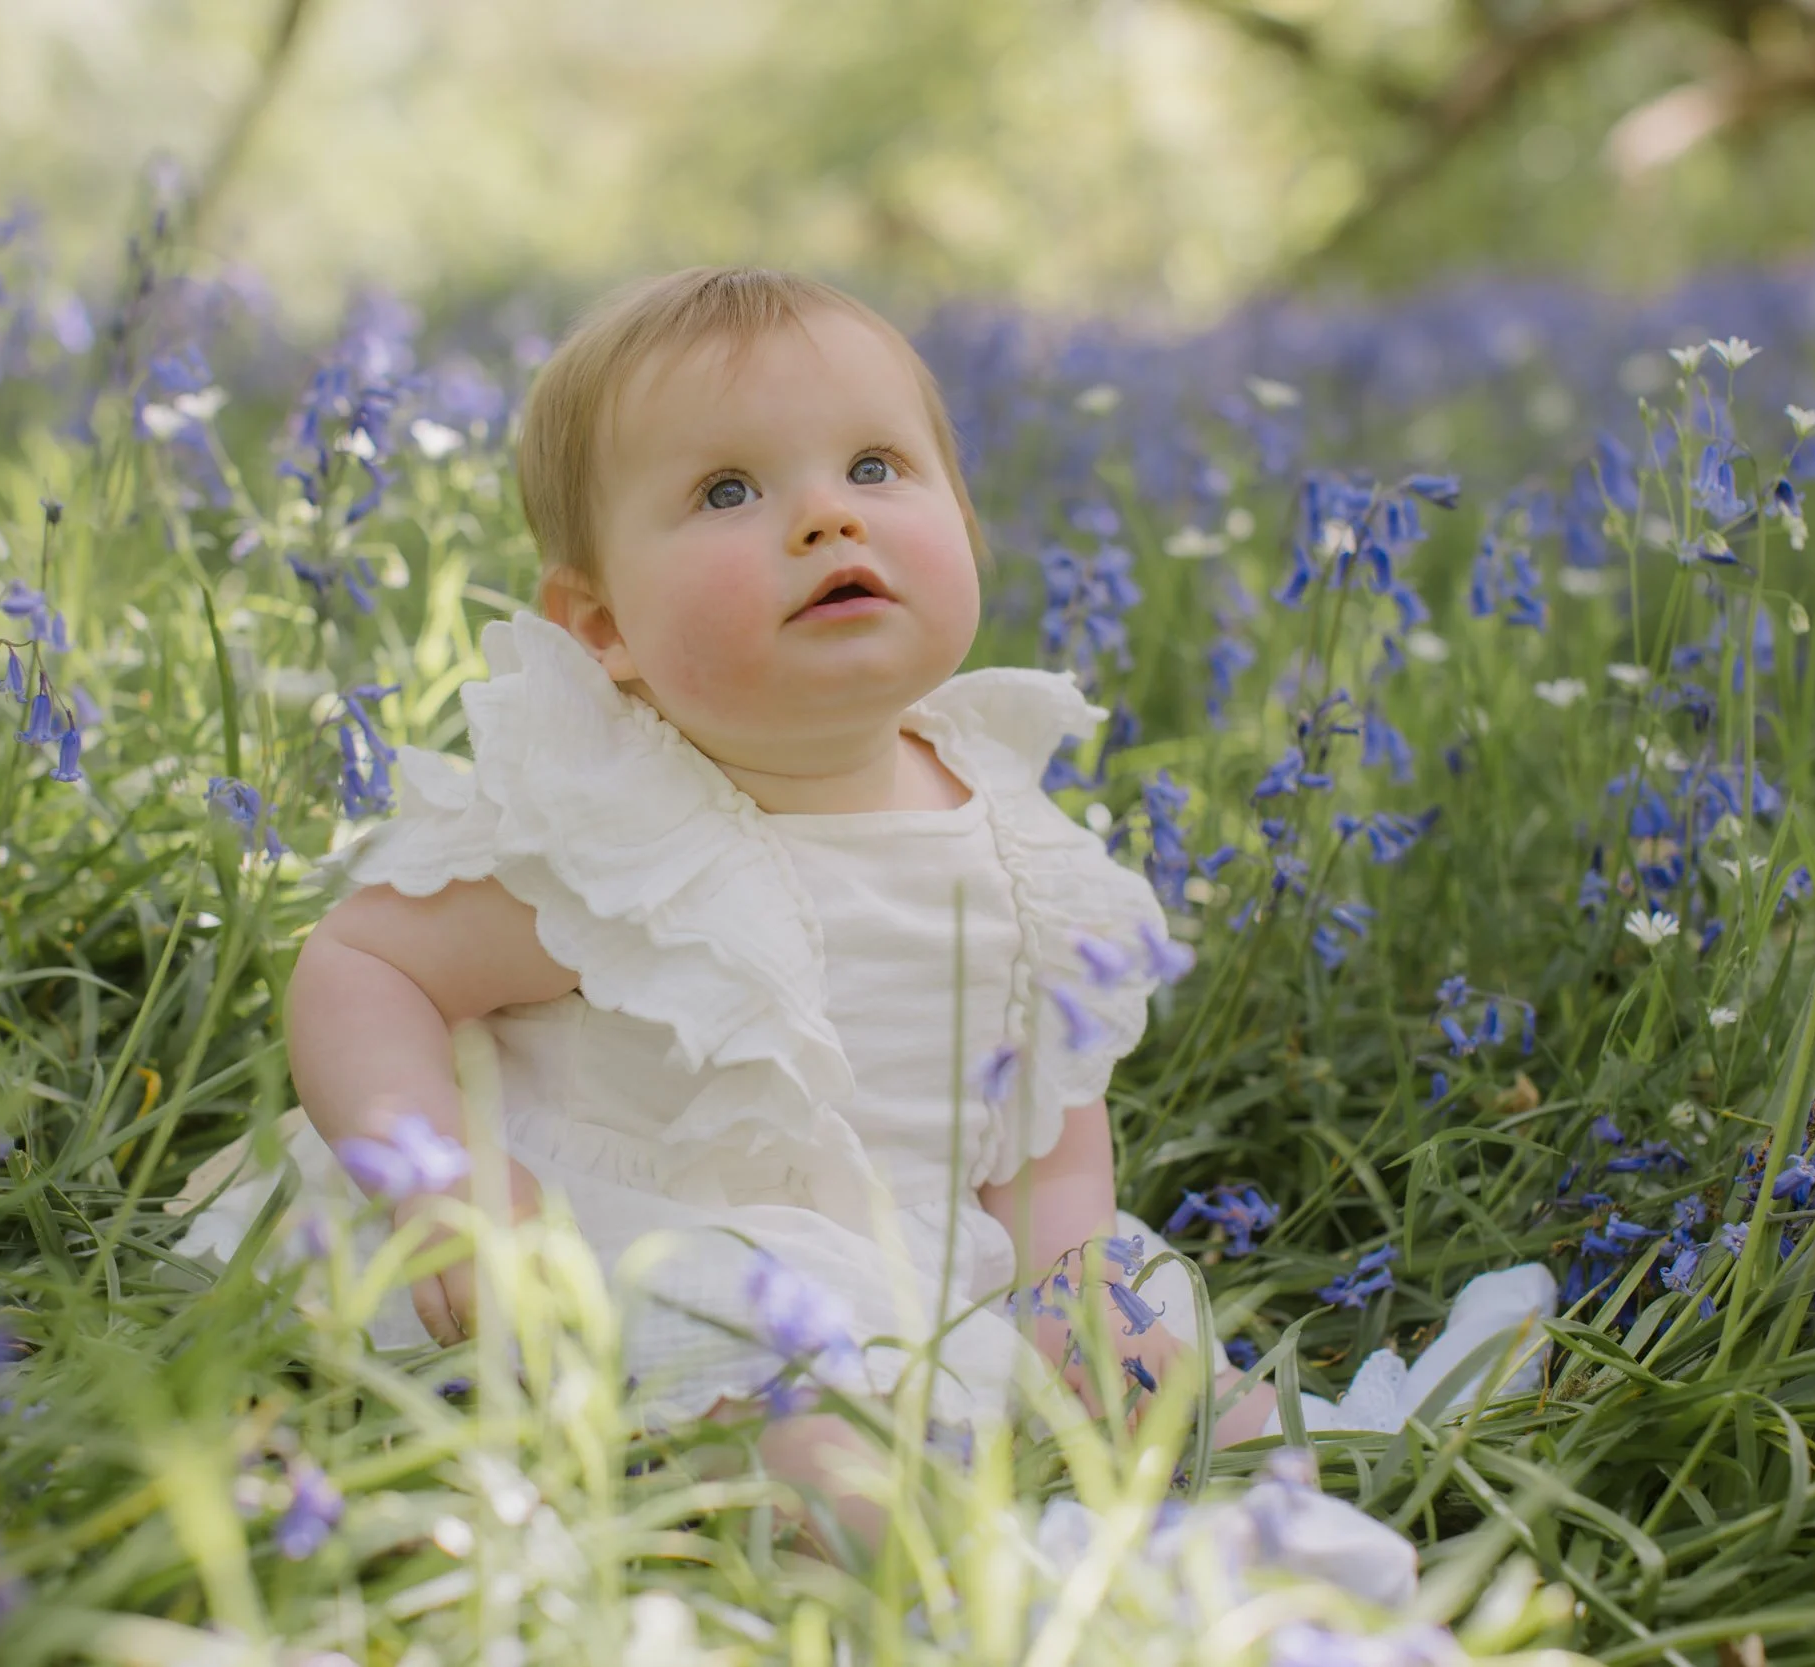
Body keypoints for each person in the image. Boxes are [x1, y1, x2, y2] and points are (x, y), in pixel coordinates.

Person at [175, 266, 1548, 1561]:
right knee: (795, 1417)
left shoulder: (1016, 841)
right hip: (635, 1245)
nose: (827, 518)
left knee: (1145, 1355)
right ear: (602, 630)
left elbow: (1046, 1130)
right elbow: (367, 967)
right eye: (728, 490)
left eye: (877, 468)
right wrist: (447, 1189)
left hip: (927, 1267)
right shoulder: (619, 840)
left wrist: (1068, 1281)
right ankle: (978, 1578)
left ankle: (1323, 1461)